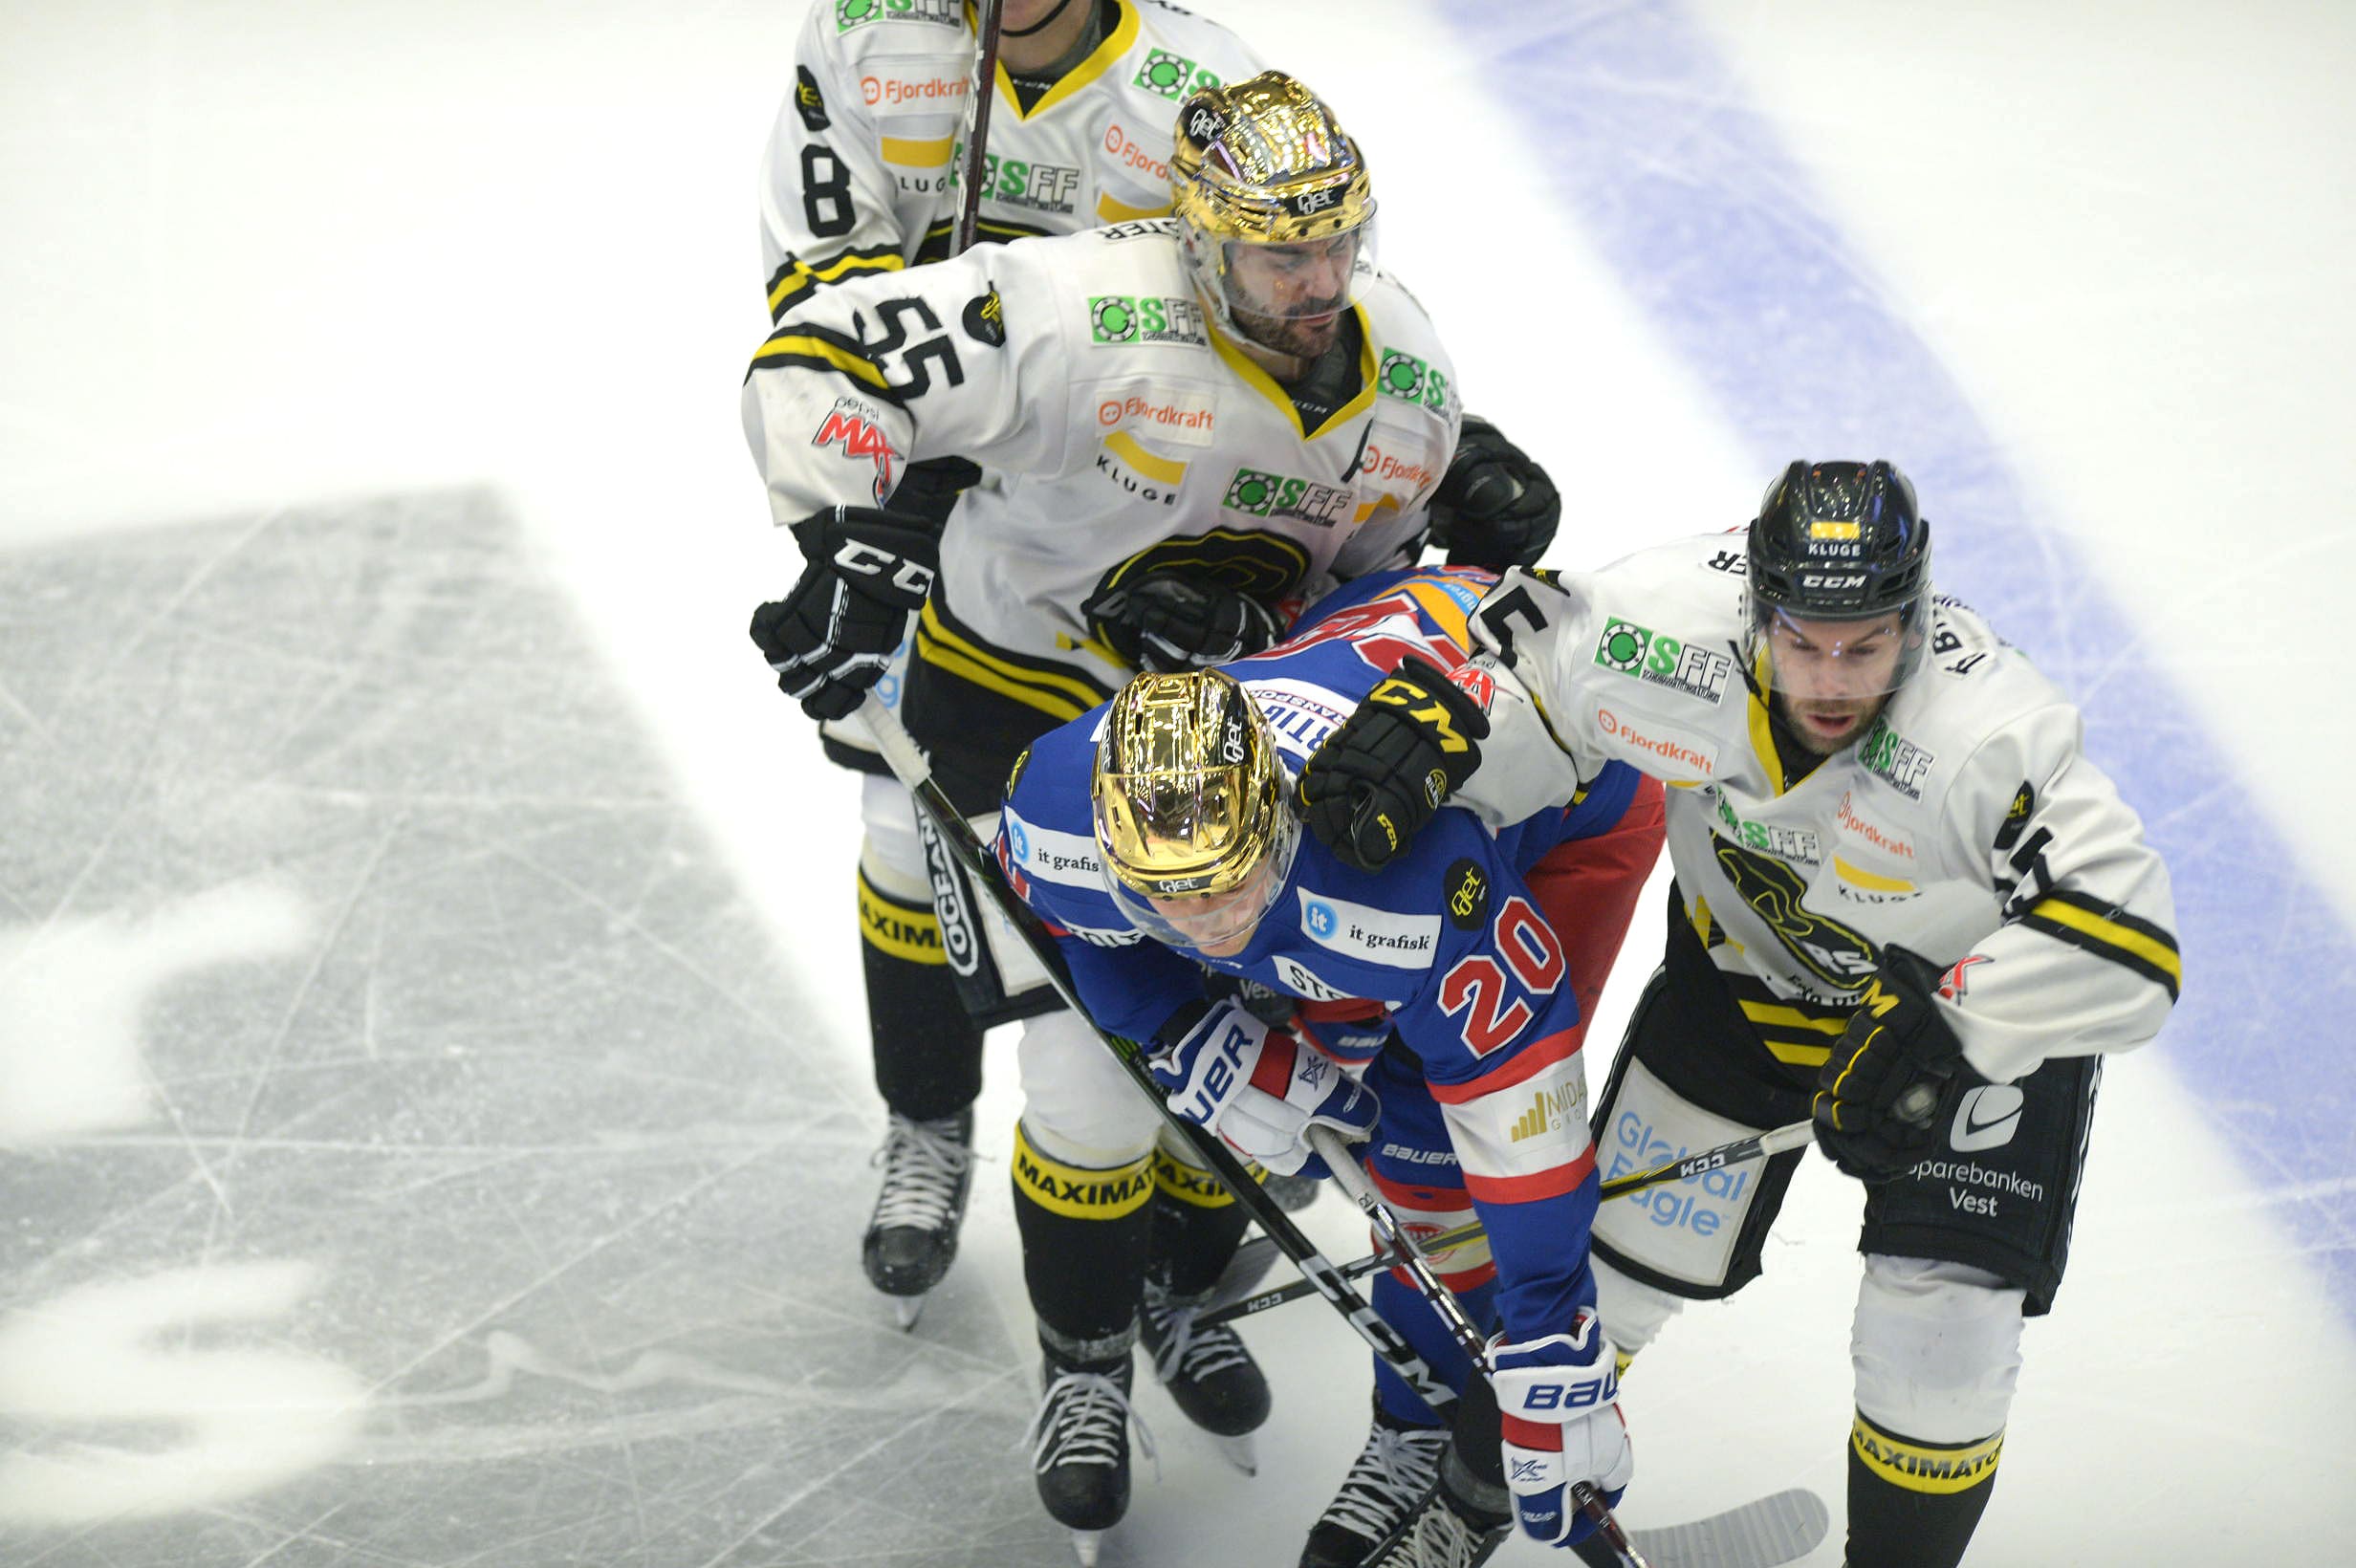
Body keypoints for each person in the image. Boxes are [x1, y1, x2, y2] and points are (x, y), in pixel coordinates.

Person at [740, 71, 1563, 1548]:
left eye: (1335, 245)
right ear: (1195, 240)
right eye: (1275, 256)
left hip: (1219, 751)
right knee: (1092, 1077)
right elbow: (821, 357)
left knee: (1253, 1062)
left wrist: (1346, 611)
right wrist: (847, 548)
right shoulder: (1076, 311)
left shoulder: (1410, 382)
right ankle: (1082, 1362)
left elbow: (1370, 606)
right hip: (1023, 717)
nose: (1316, 285)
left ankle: (1172, 1283)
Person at [1293, 461, 2183, 1568]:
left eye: (1865, 645)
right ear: (1757, 608)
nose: (1831, 680)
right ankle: (1467, 1506)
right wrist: (1440, 725)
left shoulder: (1988, 729)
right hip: (1742, 986)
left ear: (1913, 621)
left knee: (1940, 1333)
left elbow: (2134, 942)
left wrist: (1954, 1022)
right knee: (1599, 1277)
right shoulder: (1668, 621)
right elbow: (1524, 663)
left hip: (1957, 1034)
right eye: (1803, 641)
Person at [757, 0, 1280, 1320]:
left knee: (1138, 852)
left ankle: (1136, 1178)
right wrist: (864, 506)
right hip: (906, 489)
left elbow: (1276, 306)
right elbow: (820, 286)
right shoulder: (866, 36)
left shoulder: (1196, 86)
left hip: (1106, 513)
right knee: (904, 822)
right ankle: (926, 1122)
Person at [993, 563, 1666, 1564]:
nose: (1207, 924)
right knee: (1313, 1035)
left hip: (1572, 803)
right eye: (1167, 896)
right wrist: (1176, 1025)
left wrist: (1549, 1333)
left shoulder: (1409, 888)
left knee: (1435, 1160)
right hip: (1372, 644)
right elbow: (1071, 921)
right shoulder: (1056, 810)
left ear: (1276, 814)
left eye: (1228, 884)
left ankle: (1415, 1431)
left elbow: (1525, 1131)